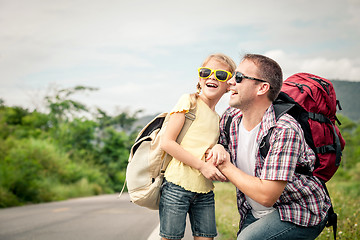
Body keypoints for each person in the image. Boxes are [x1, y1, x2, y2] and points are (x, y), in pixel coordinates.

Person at [208, 54, 330, 239]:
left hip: (298, 212)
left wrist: (225, 166)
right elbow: (222, 143)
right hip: (255, 211)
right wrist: (219, 147)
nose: (231, 82)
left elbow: (267, 195)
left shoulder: (284, 130)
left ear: (262, 88)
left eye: (239, 78)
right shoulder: (230, 117)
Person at [159, 53, 236, 240]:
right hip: (177, 185)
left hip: (205, 190)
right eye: (206, 72)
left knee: (206, 237)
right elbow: (167, 142)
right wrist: (202, 166)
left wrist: (219, 148)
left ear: (229, 85)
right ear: (200, 79)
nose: (212, 77)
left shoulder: (220, 119)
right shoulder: (189, 102)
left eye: (221, 75)